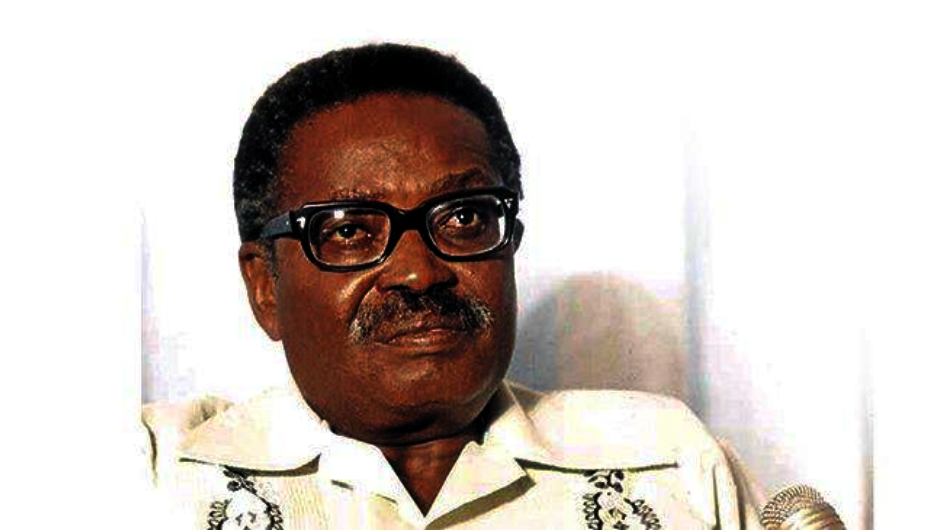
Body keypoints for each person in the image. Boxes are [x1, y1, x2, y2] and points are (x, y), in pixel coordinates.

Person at [142, 42, 764, 529]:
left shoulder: (672, 464)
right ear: (265, 288)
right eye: (351, 230)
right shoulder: (156, 473)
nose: (419, 272)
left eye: (463, 217)